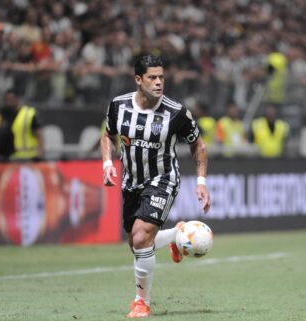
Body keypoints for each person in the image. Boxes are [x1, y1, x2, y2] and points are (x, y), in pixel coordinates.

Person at [101, 55, 211, 318]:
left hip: (163, 179)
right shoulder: (119, 106)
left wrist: (201, 181)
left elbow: (198, 144)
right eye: (152, 77)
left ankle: (142, 302)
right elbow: (108, 135)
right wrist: (107, 163)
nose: (159, 82)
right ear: (138, 80)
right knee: (137, 244)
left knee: (141, 237)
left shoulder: (176, 112)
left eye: (161, 77)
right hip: (131, 182)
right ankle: (176, 234)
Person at [0, 90, 43, 160]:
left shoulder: (28, 114)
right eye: (7, 100)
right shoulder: (1, 116)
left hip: (29, 155)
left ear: (17, 99)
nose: (9, 102)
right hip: (10, 157)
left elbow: (39, 133)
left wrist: (40, 152)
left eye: (12, 99)